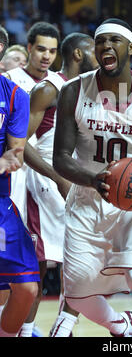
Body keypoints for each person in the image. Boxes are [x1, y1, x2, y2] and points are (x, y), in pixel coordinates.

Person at [52, 18, 132, 337]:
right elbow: (60, 158)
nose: (106, 47)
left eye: (115, 41)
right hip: (87, 200)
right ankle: (121, 324)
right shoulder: (73, 91)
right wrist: (93, 178)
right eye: (101, 42)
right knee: (77, 293)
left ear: (131, 48)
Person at [15, 33, 99, 337]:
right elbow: (19, 144)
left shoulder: (92, 92)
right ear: (78, 54)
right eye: (93, 49)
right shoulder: (49, 89)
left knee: (81, 266)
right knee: (38, 266)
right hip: (46, 183)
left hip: (80, 183)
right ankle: (25, 330)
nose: (100, 53)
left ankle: (64, 329)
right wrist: (57, 176)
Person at [0, 25, 39, 337]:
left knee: (25, 287)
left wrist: (13, 156)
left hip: (0, 204)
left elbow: (16, 150)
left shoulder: (15, 95)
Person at [3, 21, 59, 225]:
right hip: (15, 165)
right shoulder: (9, 79)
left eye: (52, 51)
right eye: (41, 49)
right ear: (29, 48)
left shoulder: (59, 83)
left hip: (44, 166)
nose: (47, 57)